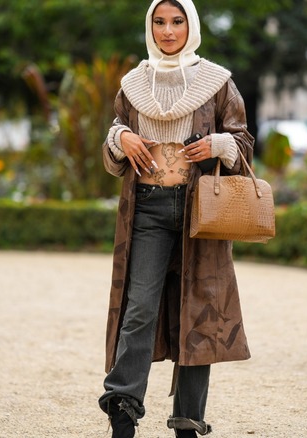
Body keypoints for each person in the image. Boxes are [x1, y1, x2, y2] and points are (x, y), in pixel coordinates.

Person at [99, 1, 254, 436]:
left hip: (200, 210)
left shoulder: (217, 81)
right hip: (147, 206)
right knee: (139, 308)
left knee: (198, 312)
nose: (168, 30)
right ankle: (123, 408)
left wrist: (220, 145)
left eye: (177, 21)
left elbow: (243, 142)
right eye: (160, 22)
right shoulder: (133, 83)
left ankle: (188, 419)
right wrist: (120, 137)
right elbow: (114, 140)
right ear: (150, 27)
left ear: (191, 25)